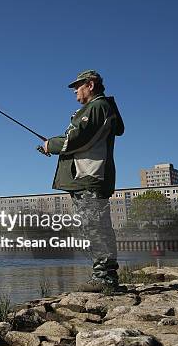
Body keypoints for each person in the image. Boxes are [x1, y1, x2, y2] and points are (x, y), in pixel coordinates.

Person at [43, 70, 125, 291]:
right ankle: (103, 277)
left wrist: (51, 145)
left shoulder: (98, 107)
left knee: (96, 227)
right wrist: (53, 145)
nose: (74, 91)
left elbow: (78, 138)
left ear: (90, 85)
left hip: (90, 176)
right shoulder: (96, 109)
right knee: (94, 227)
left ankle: (106, 279)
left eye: (77, 86)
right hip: (87, 177)